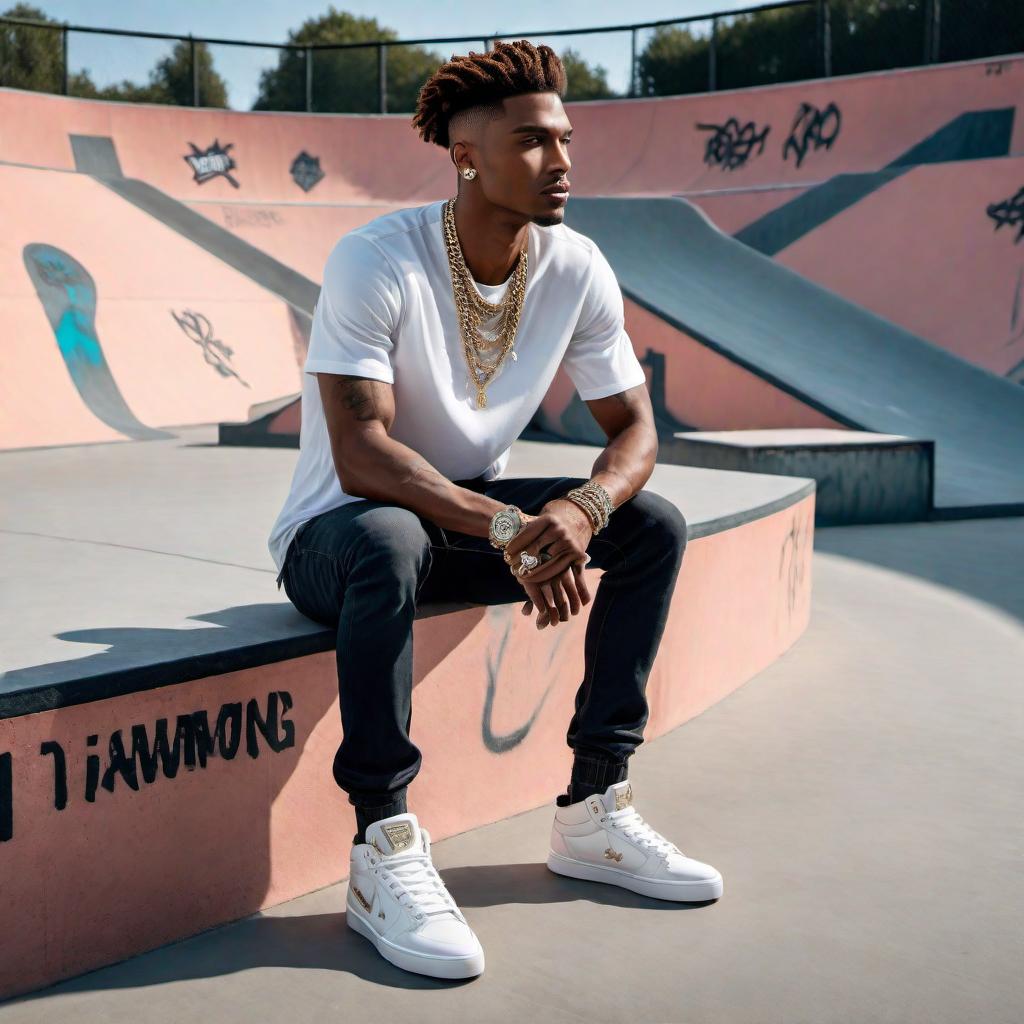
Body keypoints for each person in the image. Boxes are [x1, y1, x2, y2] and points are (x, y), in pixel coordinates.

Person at [267, 39, 723, 981]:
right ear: (466, 154)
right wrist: (514, 529)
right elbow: (362, 455)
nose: (559, 163)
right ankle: (383, 844)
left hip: (463, 527)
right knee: (390, 537)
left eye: (564, 140)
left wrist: (582, 513)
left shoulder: (576, 266)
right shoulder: (374, 259)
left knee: (653, 525)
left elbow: (635, 429)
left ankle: (594, 808)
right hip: (337, 540)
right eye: (530, 142)